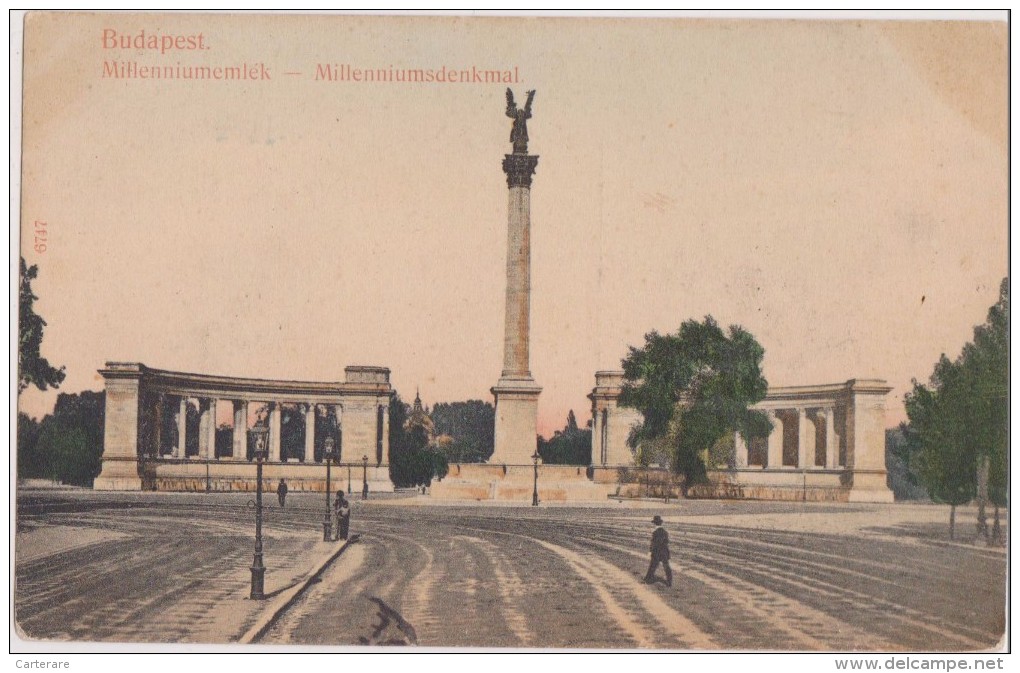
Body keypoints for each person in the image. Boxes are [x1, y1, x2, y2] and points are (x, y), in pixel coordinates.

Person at [643, 515, 672, 587]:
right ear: (661, 523)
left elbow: (654, 543)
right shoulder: (665, 532)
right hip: (664, 551)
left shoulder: (655, 532)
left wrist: (650, 551)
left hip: (657, 552)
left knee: (653, 565)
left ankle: (647, 579)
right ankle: (669, 581)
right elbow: (667, 541)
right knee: (666, 566)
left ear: (654, 523)